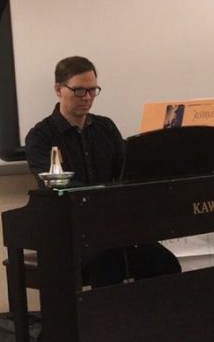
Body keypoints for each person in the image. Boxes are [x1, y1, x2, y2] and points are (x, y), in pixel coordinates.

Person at [25, 56, 180, 287]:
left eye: (92, 90)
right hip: (71, 232)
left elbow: (126, 174)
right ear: (58, 90)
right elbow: (54, 188)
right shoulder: (40, 136)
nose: (87, 98)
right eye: (78, 91)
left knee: (165, 264)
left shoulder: (106, 128)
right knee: (106, 266)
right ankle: (104, 322)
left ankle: (153, 320)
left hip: (114, 227)